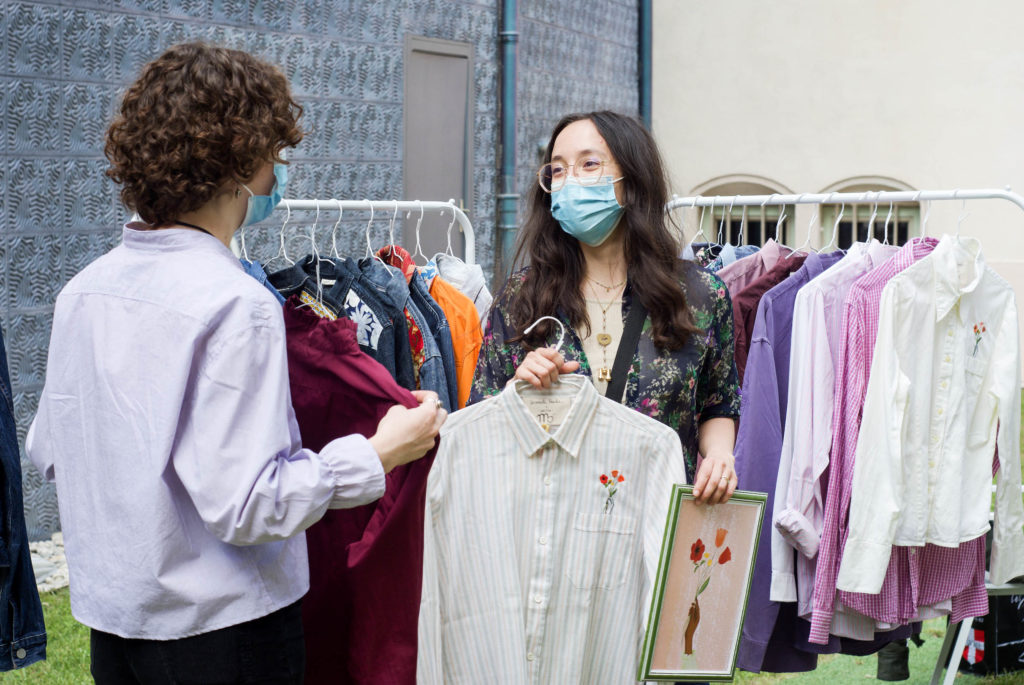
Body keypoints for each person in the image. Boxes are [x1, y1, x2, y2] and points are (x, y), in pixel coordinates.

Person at [26, 43, 445, 684]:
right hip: (222, 634)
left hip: (116, 627)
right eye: (275, 156)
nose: (277, 174)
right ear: (246, 161)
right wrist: (379, 452)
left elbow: (50, 451)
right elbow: (252, 504)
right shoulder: (237, 304)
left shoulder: (83, 290)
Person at [471, 110, 740, 502]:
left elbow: (719, 401)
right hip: (547, 533)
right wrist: (517, 390)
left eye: (589, 164)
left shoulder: (701, 295)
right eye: (557, 170)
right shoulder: (522, 296)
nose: (569, 180)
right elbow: (480, 419)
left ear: (632, 179)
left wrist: (719, 455)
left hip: (653, 526)